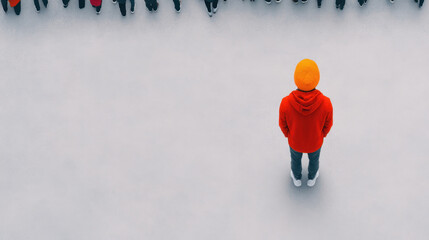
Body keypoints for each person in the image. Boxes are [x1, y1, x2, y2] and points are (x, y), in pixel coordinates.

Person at [279, 59, 333, 187]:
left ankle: (296, 178)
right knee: (314, 160)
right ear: (317, 78)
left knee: (295, 159)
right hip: (315, 142)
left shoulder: (285, 103)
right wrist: (321, 135)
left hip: (295, 142)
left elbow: (282, 124)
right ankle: (312, 177)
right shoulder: (326, 103)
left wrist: (289, 135)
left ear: (295, 78)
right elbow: (328, 124)